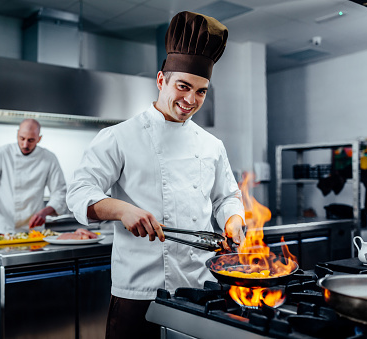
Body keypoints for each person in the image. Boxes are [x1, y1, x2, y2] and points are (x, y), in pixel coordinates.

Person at [66, 11, 246, 339]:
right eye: (183, 86)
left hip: (199, 289)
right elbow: (79, 192)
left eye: (201, 91)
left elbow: (227, 197)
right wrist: (121, 209)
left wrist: (233, 220)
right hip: (138, 292)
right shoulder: (119, 136)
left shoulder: (211, 145)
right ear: (161, 80)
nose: (191, 100)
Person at [0, 119, 67, 234]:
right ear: (17, 134)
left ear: (39, 138)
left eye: (31, 140)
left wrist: (45, 212)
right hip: (4, 230)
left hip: (34, 231)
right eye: (22, 138)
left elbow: (60, 192)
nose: (25, 144)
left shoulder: (49, 158)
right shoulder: (2, 153)